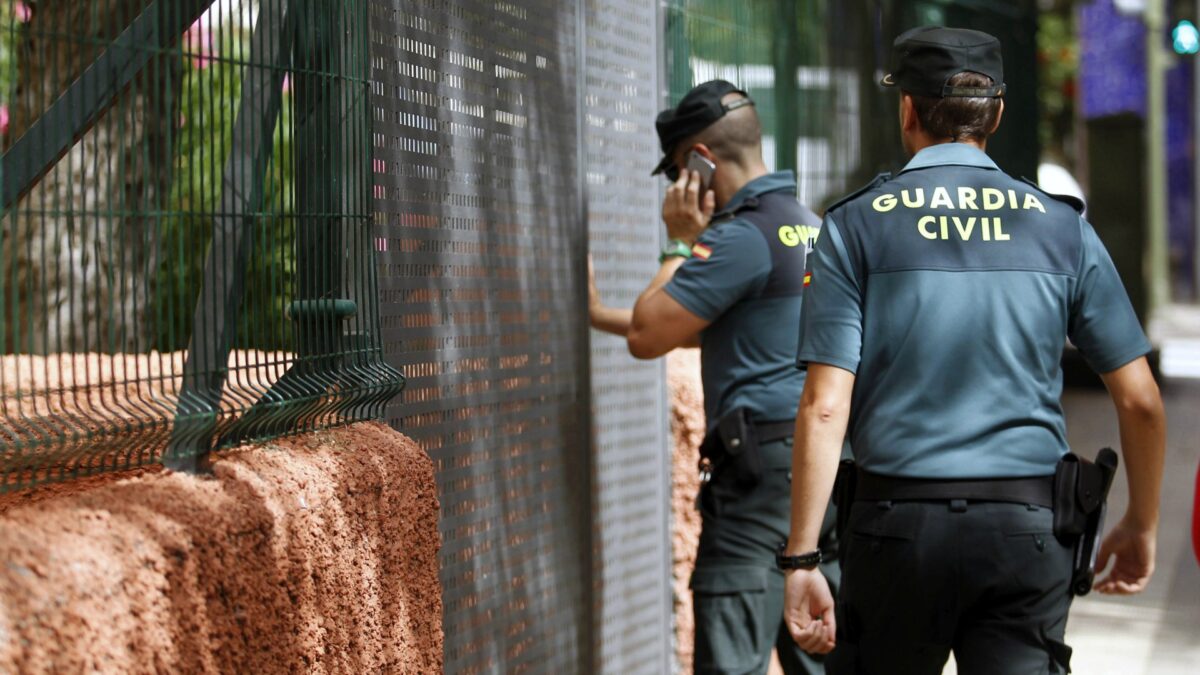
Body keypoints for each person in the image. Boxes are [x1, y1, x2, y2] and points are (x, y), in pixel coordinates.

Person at [780, 26, 1166, 674]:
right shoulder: (1061, 228)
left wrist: (801, 558)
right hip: (1026, 532)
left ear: (907, 109)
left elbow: (824, 406)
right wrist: (1141, 523)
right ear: (999, 113)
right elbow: (1141, 399)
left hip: (894, 530)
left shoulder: (854, 225)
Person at [589, 79, 838, 674]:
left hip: (758, 478)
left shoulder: (739, 237)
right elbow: (695, 323)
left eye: (678, 169)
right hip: (820, 467)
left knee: (733, 652)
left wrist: (678, 240)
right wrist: (598, 313)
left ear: (699, 160)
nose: (678, 186)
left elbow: (652, 336)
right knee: (813, 648)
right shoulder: (808, 225)